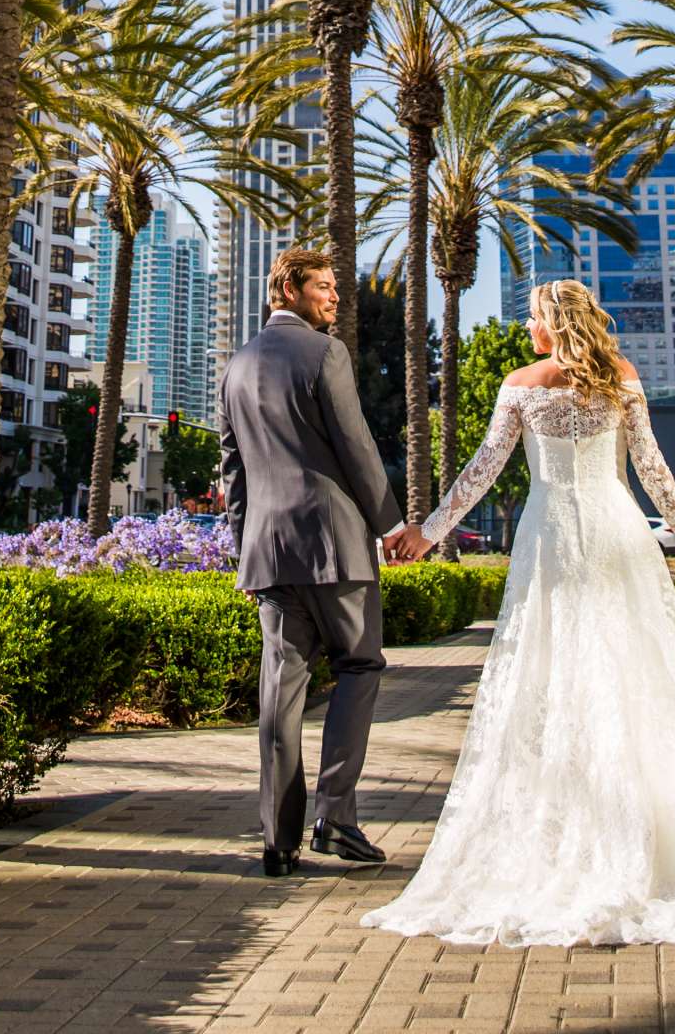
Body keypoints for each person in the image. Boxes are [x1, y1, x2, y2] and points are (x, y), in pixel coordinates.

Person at [362, 279, 675, 949]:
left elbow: (483, 470)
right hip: (617, 533)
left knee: (550, 675)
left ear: (549, 324)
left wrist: (427, 532)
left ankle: (568, 836)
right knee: (634, 676)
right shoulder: (622, 377)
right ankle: (650, 844)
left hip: (549, 540)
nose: (527, 332)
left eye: (533, 321)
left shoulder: (522, 382)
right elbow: (654, 472)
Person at [219, 244, 413, 880]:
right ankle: (335, 816)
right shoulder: (327, 353)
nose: (335, 296)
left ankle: (278, 838)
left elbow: (234, 473)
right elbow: (357, 447)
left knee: (281, 689)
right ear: (290, 290)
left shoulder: (237, 365)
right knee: (361, 662)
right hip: (335, 544)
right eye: (325, 286)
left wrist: (241, 548)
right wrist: (391, 525)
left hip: (269, 554)